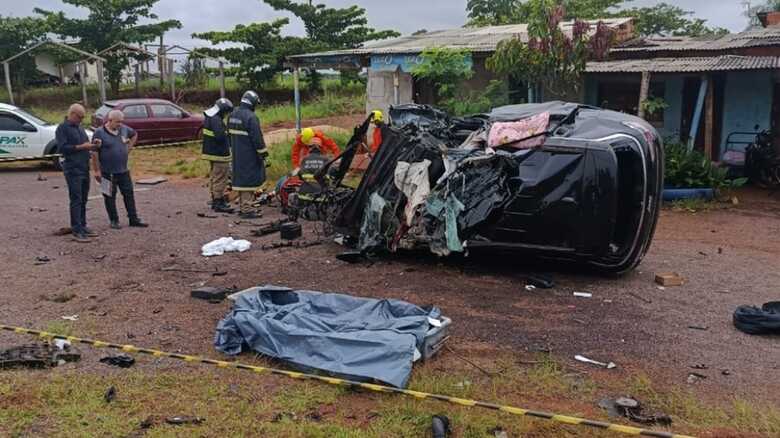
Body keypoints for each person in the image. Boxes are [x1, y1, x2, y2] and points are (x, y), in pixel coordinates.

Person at [90, 109, 148, 229]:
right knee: (109, 197)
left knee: (129, 194)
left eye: (121, 121)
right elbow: (94, 153)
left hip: (123, 170)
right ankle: (114, 220)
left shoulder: (124, 129)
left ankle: (133, 218)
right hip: (106, 172)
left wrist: (129, 148)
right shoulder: (99, 133)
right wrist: (96, 170)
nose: (120, 124)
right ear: (110, 120)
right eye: (117, 122)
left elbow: (134, 134)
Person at [56, 103, 101, 243]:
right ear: (72, 114)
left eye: (83, 117)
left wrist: (93, 144)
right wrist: (81, 146)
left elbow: (85, 144)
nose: (82, 120)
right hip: (72, 168)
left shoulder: (79, 127)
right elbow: (62, 148)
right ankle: (76, 230)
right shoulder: (62, 128)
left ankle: (83, 225)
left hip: (83, 167)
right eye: (80, 117)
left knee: (84, 198)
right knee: (76, 199)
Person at [228, 90, 268, 219]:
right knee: (248, 181)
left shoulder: (232, 114)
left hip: (236, 154)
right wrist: (263, 153)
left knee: (241, 179)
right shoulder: (251, 117)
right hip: (249, 155)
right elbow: (257, 139)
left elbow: (228, 135)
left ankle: (243, 206)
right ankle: (247, 209)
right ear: (252, 103)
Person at [201, 98, 235, 213]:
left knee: (215, 177)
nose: (226, 115)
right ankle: (218, 202)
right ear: (222, 110)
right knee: (221, 178)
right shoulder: (216, 120)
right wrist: (228, 134)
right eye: (226, 112)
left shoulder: (210, 117)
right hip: (219, 154)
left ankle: (215, 199)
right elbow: (220, 137)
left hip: (211, 153)